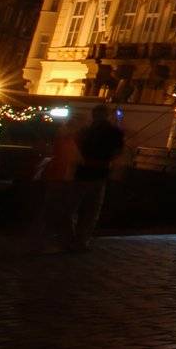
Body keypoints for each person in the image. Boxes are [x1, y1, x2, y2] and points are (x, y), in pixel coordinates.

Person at [69, 104, 125, 250]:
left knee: (74, 207)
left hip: (83, 171)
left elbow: (76, 146)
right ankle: (81, 240)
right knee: (91, 209)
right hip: (99, 172)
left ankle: (72, 237)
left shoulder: (85, 131)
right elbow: (118, 151)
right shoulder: (113, 132)